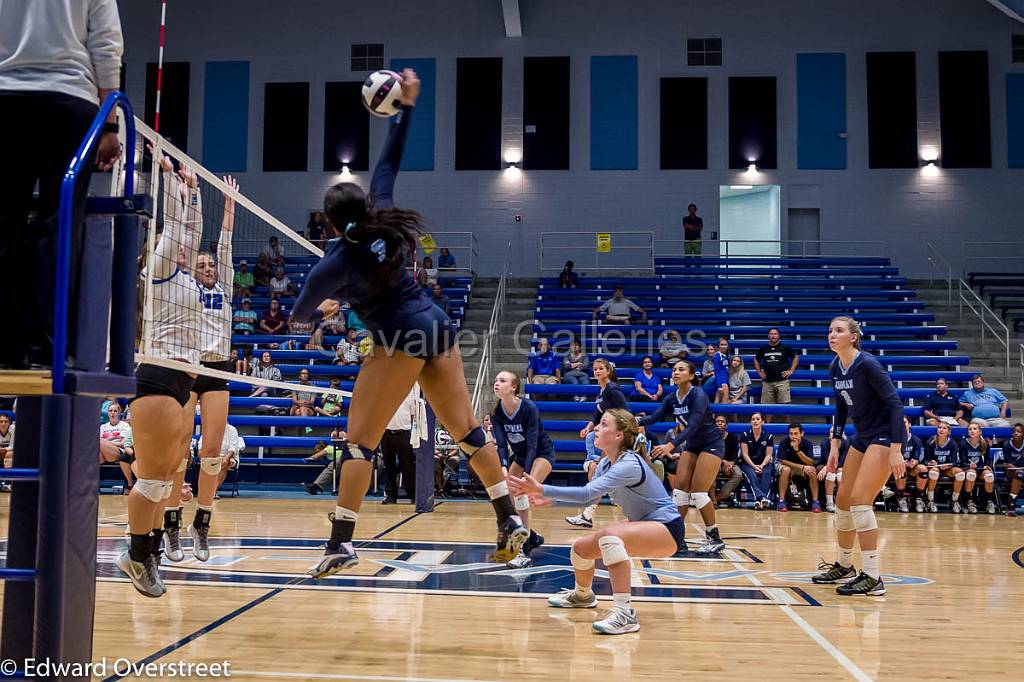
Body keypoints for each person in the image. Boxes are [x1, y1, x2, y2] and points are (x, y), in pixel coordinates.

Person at [289, 70, 529, 575]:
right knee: (466, 432)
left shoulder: (331, 264)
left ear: (328, 223)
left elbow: (297, 316)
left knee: (358, 441)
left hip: (400, 338)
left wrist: (330, 307)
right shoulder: (381, 213)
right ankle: (509, 519)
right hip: (438, 325)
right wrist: (409, 107)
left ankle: (340, 543)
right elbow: (389, 158)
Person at [0, 0, 123, 369]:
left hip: (6, 99)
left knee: (5, 227)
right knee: (60, 225)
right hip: (69, 101)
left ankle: (6, 347)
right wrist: (111, 125)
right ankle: (46, 348)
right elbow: (106, 42)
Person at [510, 409, 686, 635]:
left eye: (603, 424)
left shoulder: (629, 463)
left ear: (618, 435)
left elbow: (585, 493)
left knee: (609, 538)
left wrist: (541, 488)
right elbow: (592, 498)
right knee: (580, 549)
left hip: (668, 529)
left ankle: (625, 613)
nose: (596, 429)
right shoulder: (605, 464)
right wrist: (550, 501)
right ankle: (583, 595)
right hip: (646, 526)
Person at [118, 161, 203, 598]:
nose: (186, 247)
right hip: (156, 376)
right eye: (177, 245)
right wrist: (173, 183)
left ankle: (147, 552)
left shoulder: (182, 275)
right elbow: (178, 230)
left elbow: (191, 230)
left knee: (166, 478)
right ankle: (134, 554)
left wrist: (193, 190)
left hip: (180, 380)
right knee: (150, 480)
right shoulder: (160, 269)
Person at [164, 176, 239, 564]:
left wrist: (229, 204)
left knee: (212, 453)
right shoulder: (185, 289)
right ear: (192, 270)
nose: (208, 266)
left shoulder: (224, 284)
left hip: (218, 368)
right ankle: (172, 523)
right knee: (179, 454)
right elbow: (185, 242)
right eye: (202, 264)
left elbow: (223, 242)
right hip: (188, 369)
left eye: (211, 263)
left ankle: (202, 523)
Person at [811, 316, 906, 597]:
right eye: (829, 330)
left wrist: (896, 450)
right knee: (842, 500)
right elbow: (840, 407)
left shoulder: (868, 365)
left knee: (860, 501)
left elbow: (895, 405)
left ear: (853, 337)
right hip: (863, 436)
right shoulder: (835, 367)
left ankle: (874, 577)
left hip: (886, 435)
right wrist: (835, 446)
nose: (832, 335)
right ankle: (844, 564)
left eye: (838, 330)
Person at [640, 360, 727, 554]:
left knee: (698, 493)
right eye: (674, 369)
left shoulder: (699, 395)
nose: (676, 372)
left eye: (681, 369)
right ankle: (677, 538)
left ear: (690, 375)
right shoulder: (672, 398)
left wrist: (670, 444)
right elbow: (654, 418)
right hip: (693, 445)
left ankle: (714, 537)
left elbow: (693, 425)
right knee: (680, 492)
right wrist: (631, 420)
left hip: (711, 444)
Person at [492, 371, 555, 567]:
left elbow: (532, 445)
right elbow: (502, 445)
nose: (496, 383)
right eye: (495, 380)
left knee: (523, 491)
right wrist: (503, 466)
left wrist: (525, 477)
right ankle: (531, 536)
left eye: (502, 381)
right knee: (508, 493)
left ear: (513, 387)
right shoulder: (497, 413)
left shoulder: (528, 408)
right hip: (520, 456)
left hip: (541, 453)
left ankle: (523, 550)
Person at [566, 358, 628, 528]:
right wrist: (589, 427)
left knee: (599, 471)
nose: (597, 371)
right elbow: (598, 414)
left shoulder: (613, 390)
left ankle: (589, 514)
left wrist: (617, 434)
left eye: (601, 368)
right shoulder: (601, 391)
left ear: (608, 371)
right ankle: (589, 514)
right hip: (610, 438)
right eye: (595, 368)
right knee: (601, 472)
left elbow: (626, 413)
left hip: (617, 439)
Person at [380, 384, 420, 505]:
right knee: (389, 466)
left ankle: (412, 494)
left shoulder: (409, 394)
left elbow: (413, 415)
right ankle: (391, 495)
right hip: (386, 433)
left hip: (403, 434)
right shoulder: (384, 395)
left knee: (407, 466)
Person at [753, 328, 798, 421]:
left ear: (779, 336)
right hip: (767, 382)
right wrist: (759, 371)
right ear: (768, 336)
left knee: (785, 406)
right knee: (767, 407)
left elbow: (796, 357)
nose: (773, 335)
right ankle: (768, 427)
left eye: (775, 333)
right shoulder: (763, 349)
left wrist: (791, 370)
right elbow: (756, 359)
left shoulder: (785, 347)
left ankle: (785, 427)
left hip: (782, 381)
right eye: (771, 334)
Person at [774, 423, 819, 512]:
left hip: (801, 469)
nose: (793, 436)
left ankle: (815, 502)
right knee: (786, 470)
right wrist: (801, 467)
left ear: (802, 434)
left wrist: (797, 450)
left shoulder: (808, 443)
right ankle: (781, 501)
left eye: (795, 433)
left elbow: (810, 462)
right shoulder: (784, 442)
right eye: (791, 434)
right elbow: (783, 461)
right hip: (788, 467)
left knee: (813, 470)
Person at [195, 422, 245, 498]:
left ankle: (212, 491)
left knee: (225, 462)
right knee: (208, 459)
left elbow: (233, 448)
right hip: (210, 455)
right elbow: (201, 448)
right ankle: (204, 490)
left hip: (228, 456)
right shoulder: (208, 429)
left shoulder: (232, 430)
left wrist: (226, 458)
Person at [922, 421, 960, 513]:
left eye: (944, 428)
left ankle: (954, 500)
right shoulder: (931, 442)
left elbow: (955, 462)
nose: (941, 430)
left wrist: (949, 465)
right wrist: (931, 462)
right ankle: (930, 500)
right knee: (933, 472)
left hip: (948, 468)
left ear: (948, 431)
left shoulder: (953, 443)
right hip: (935, 467)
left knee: (960, 473)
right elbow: (925, 460)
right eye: (939, 427)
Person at [958, 422, 995, 514]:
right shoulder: (963, 443)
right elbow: (962, 461)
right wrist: (968, 465)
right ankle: (968, 501)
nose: (972, 431)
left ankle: (988, 501)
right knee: (971, 474)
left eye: (975, 429)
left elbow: (988, 459)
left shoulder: (985, 443)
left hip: (981, 469)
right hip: (969, 469)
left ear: (980, 431)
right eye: (970, 429)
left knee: (989, 476)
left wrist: (987, 466)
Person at [739, 412, 775, 510]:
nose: (755, 421)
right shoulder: (745, 435)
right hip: (748, 464)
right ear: (750, 422)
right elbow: (745, 454)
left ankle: (759, 501)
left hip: (764, 463)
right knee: (751, 473)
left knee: (767, 472)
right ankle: (763, 498)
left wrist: (762, 466)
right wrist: (754, 467)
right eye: (753, 419)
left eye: (758, 419)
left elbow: (768, 455)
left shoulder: (769, 436)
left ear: (763, 421)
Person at [893, 416, 926, 513]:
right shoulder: (893, 439)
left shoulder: (916, 439)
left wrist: (914, 462)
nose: (902, 425)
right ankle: (901, 497)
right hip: (896, 467)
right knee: (901, 468)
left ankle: (919, 498)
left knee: (923, 469)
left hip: (911, 468)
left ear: (909, 424)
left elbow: (916, 456)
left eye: (905, 422)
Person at [99, 403, 134, 491]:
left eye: (115, 411)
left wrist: (107, 443)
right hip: (104, 454)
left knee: (99, 442)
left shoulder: (124, 425)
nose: (113, 413)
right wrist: (105, 444)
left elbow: (123, 443)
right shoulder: (103, 426)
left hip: (118, 451)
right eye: (110, 411)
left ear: (119, 413)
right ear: (107, 413)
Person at [302, 430, 349, 495]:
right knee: (334, 464)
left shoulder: (328, 448)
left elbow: (316, 456)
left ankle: (343, 489)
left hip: (354, 455)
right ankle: (316, 486)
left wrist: (308, 458)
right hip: (344, 457)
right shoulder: (334, 447)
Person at [713, 415, 744, 506]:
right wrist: (722, 462)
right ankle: (711, 498)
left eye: (722, 421)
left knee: (738, 474)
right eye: (717, 421)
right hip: (714, 462)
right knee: (712, 471)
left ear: (726, 425)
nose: (719, 423)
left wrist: (730, 464)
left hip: (730, 462)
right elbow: (710, 453)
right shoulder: (710, 438)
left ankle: (718, 497)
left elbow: (735, 455)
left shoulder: (733, 438)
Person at [816, 432, 849, 513]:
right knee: (831, 473)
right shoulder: (825, 442)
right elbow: (825, 458)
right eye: (831, 432)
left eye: (835, 432)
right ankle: (829, 503)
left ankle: (841, 503)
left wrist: (828, 467)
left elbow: (842, 461)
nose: (833, 434)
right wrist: (827, 467)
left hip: (838, 466)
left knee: (840, 474)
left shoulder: (846, 443)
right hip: (823, 465)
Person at [999, 423, 1024, 514]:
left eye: (1019, 432)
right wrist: (1021, 458)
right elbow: (1009, 464)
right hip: (1010, 472)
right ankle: (1011, 505)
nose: (1016, 433)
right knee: (1019, 474)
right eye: (1014, 432)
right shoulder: (1007, 444)